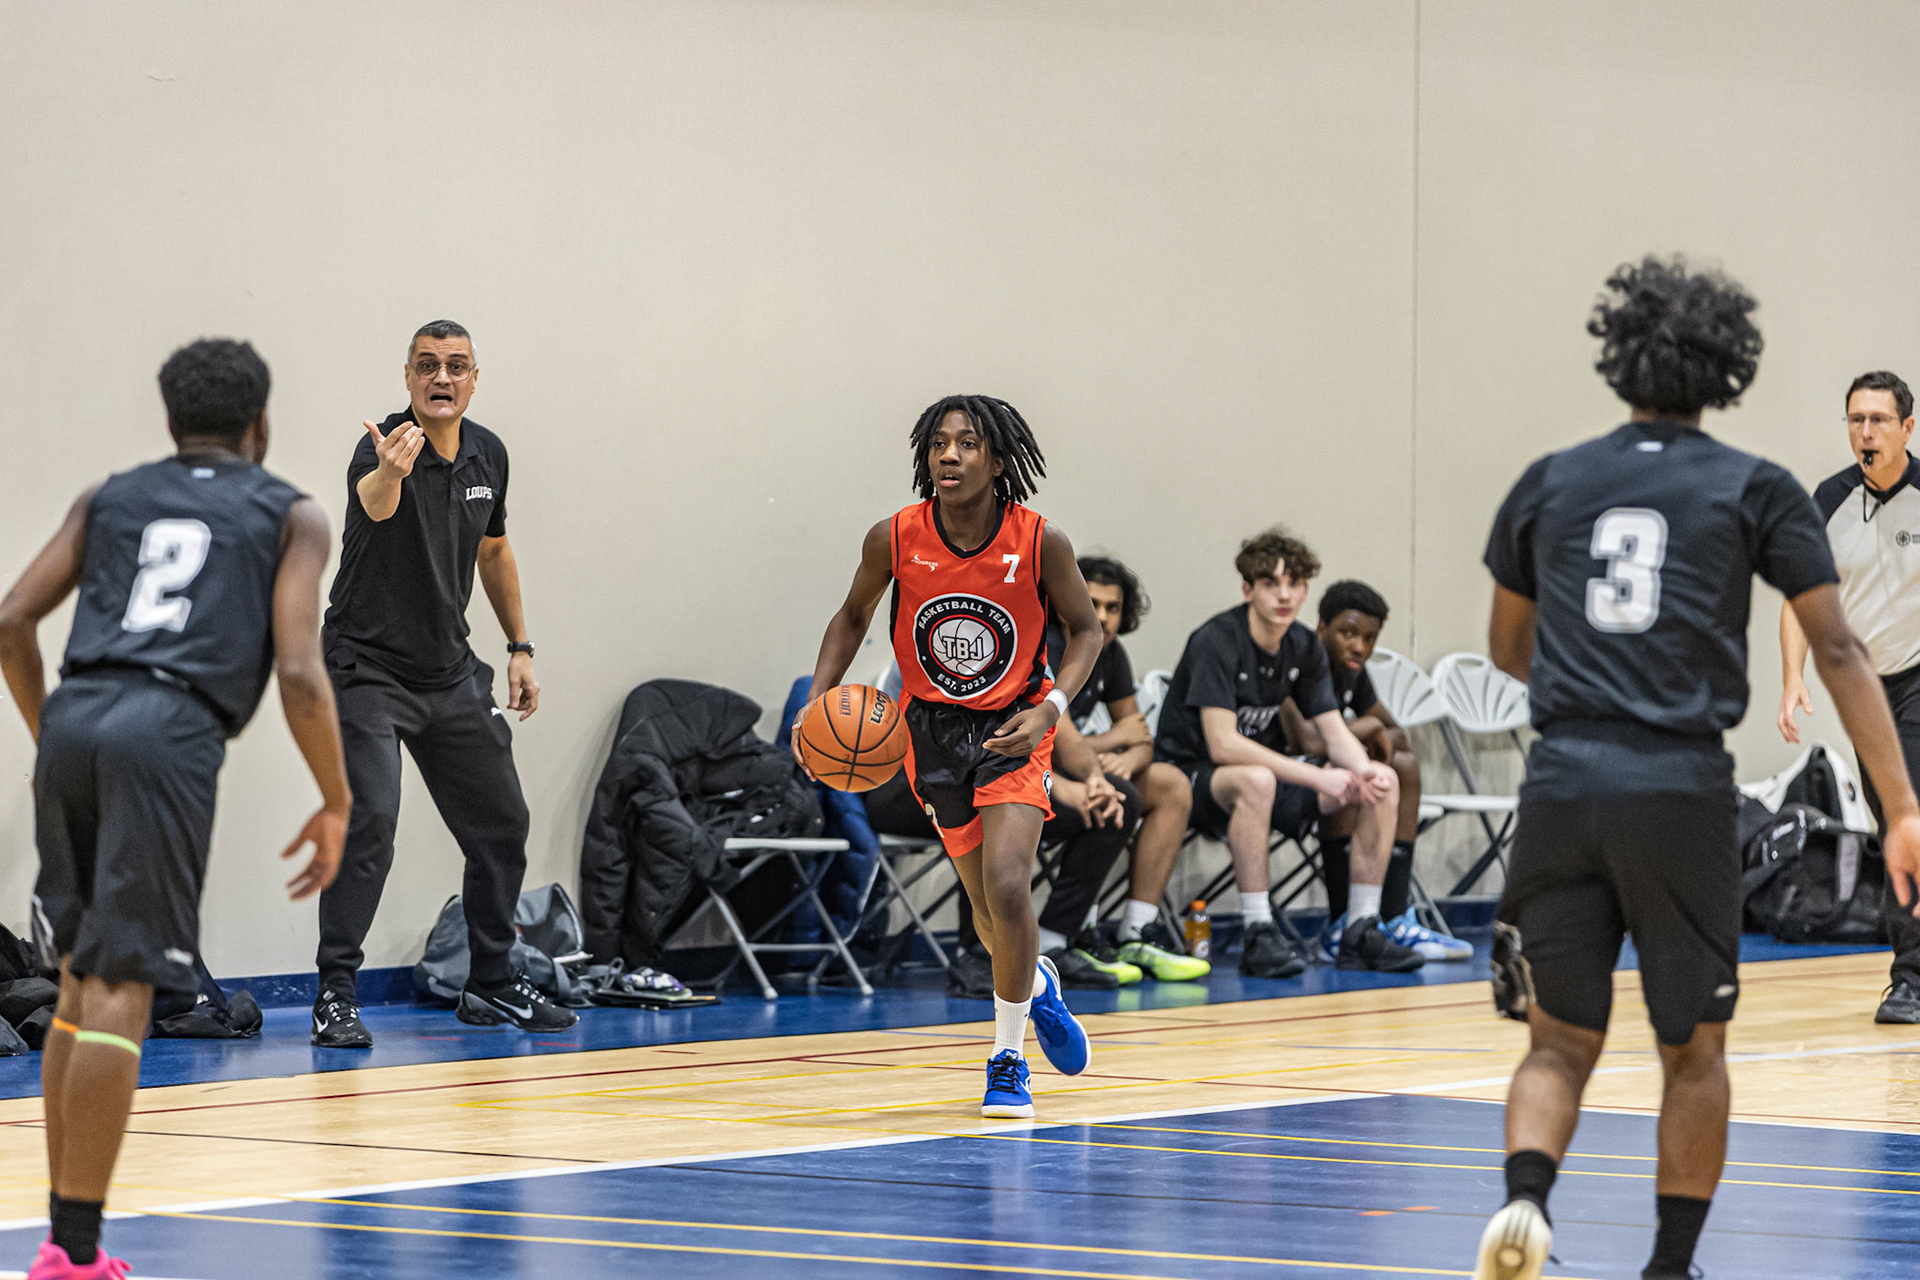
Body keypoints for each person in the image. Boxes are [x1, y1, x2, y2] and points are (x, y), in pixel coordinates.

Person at [1473, 256, 1920, 1280]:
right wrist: (1901, 805)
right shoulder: (1756, 486)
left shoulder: (1550, 479)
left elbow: (1506, 647)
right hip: (1677, 787)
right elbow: (1840, 648)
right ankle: (1670, 1266)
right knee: (1694, 1051)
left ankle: (1525, 1202)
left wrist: (1594, 687)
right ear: (1728, 366)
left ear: (1617, 355)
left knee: (1554, 1044)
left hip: (1562, 781)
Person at [0, 339, 353, 1279]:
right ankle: (76, 1254)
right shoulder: (292, 513)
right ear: (261, 423)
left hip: (76, 714)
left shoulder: (109, 496)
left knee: (79, 982)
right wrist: (335, 798)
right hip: (169, 730)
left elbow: (10, 620)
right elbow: (298, 670)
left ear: (170, 420)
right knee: (123, 989)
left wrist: (51, 735)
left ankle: (64, 1243)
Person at [801, 393, 1100, 1118]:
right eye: (939, 443)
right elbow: (852, 615)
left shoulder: (1041, 541)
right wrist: (818, 699)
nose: (949, 455)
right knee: (987, 912)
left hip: (1013, 728)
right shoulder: (895, 536)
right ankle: (1036, 985)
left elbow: (1087, 631)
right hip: (929, 734)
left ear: (997, 461)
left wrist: (1051, 710)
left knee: (1007, 882)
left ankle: (1006, 1058)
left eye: (967, 444)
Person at [311, 320, 572, 1048]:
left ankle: (490, 982)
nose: (442, 378)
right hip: (366, 669)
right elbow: (375, 502)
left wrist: (519, 647)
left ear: (474, 380)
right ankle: (335, 995)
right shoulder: (382, 447)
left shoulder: (489, 452)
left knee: (503, 825)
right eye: (427, 365)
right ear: (408, 377)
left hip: (450, 672)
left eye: (456, 366)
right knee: (370, 822)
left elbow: (494, 550)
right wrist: (391, 472)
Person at [1154, 529, 1422, 978]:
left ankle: (1360, 927)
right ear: (1248, 590)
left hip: (1264, 779)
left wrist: (1361, 771)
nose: (1284, 595)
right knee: (1257, 780)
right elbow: (1223, 744)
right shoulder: (1217, 639)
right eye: (1271, 583)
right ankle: (1258, 931)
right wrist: (1317, 777)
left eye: (1294, 584)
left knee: (1383, 780)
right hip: (1192, 776)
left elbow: (1333, 731)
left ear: (1305, 591)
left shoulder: (1303, 644)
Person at [1774, 370, 1920, 1024]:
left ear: (1907, 428)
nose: (1866, 432)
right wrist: (1793, 677)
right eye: (1856, 420)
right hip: (1868, 690)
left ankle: (1911, 978)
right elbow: (1797, 598)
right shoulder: (1829, 500)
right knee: (1895, 824)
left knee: (1909, 816)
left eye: (1879, 420)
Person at [1285, 580, 1471, 962]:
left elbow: (1397, 734)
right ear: (1322, 628)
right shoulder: (1299, 663)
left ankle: (1394, 917)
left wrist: (1370, 733)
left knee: (1403, 766)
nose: (1359, 646)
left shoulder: (1353, 672)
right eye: (1348, 633)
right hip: (1282, 773)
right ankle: (1342, 923)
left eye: (1369, 638)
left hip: (1319, 772)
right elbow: (1308, 742)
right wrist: (1368, 729)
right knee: (1354, 771)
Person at [1044, 557, 1207, 981]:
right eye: (1091, 603)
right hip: (1033, 774)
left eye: (1112, 607)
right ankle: (1072, 933)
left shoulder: (1111, 654)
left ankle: (1137, 930)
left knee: (1171, 785)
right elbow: (1055, 741)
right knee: (1117, 792)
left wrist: (1128, 756)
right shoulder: (1043, 645)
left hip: (1080, 768)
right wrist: (1111, 742)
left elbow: (1141, 740)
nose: (1101, 616)